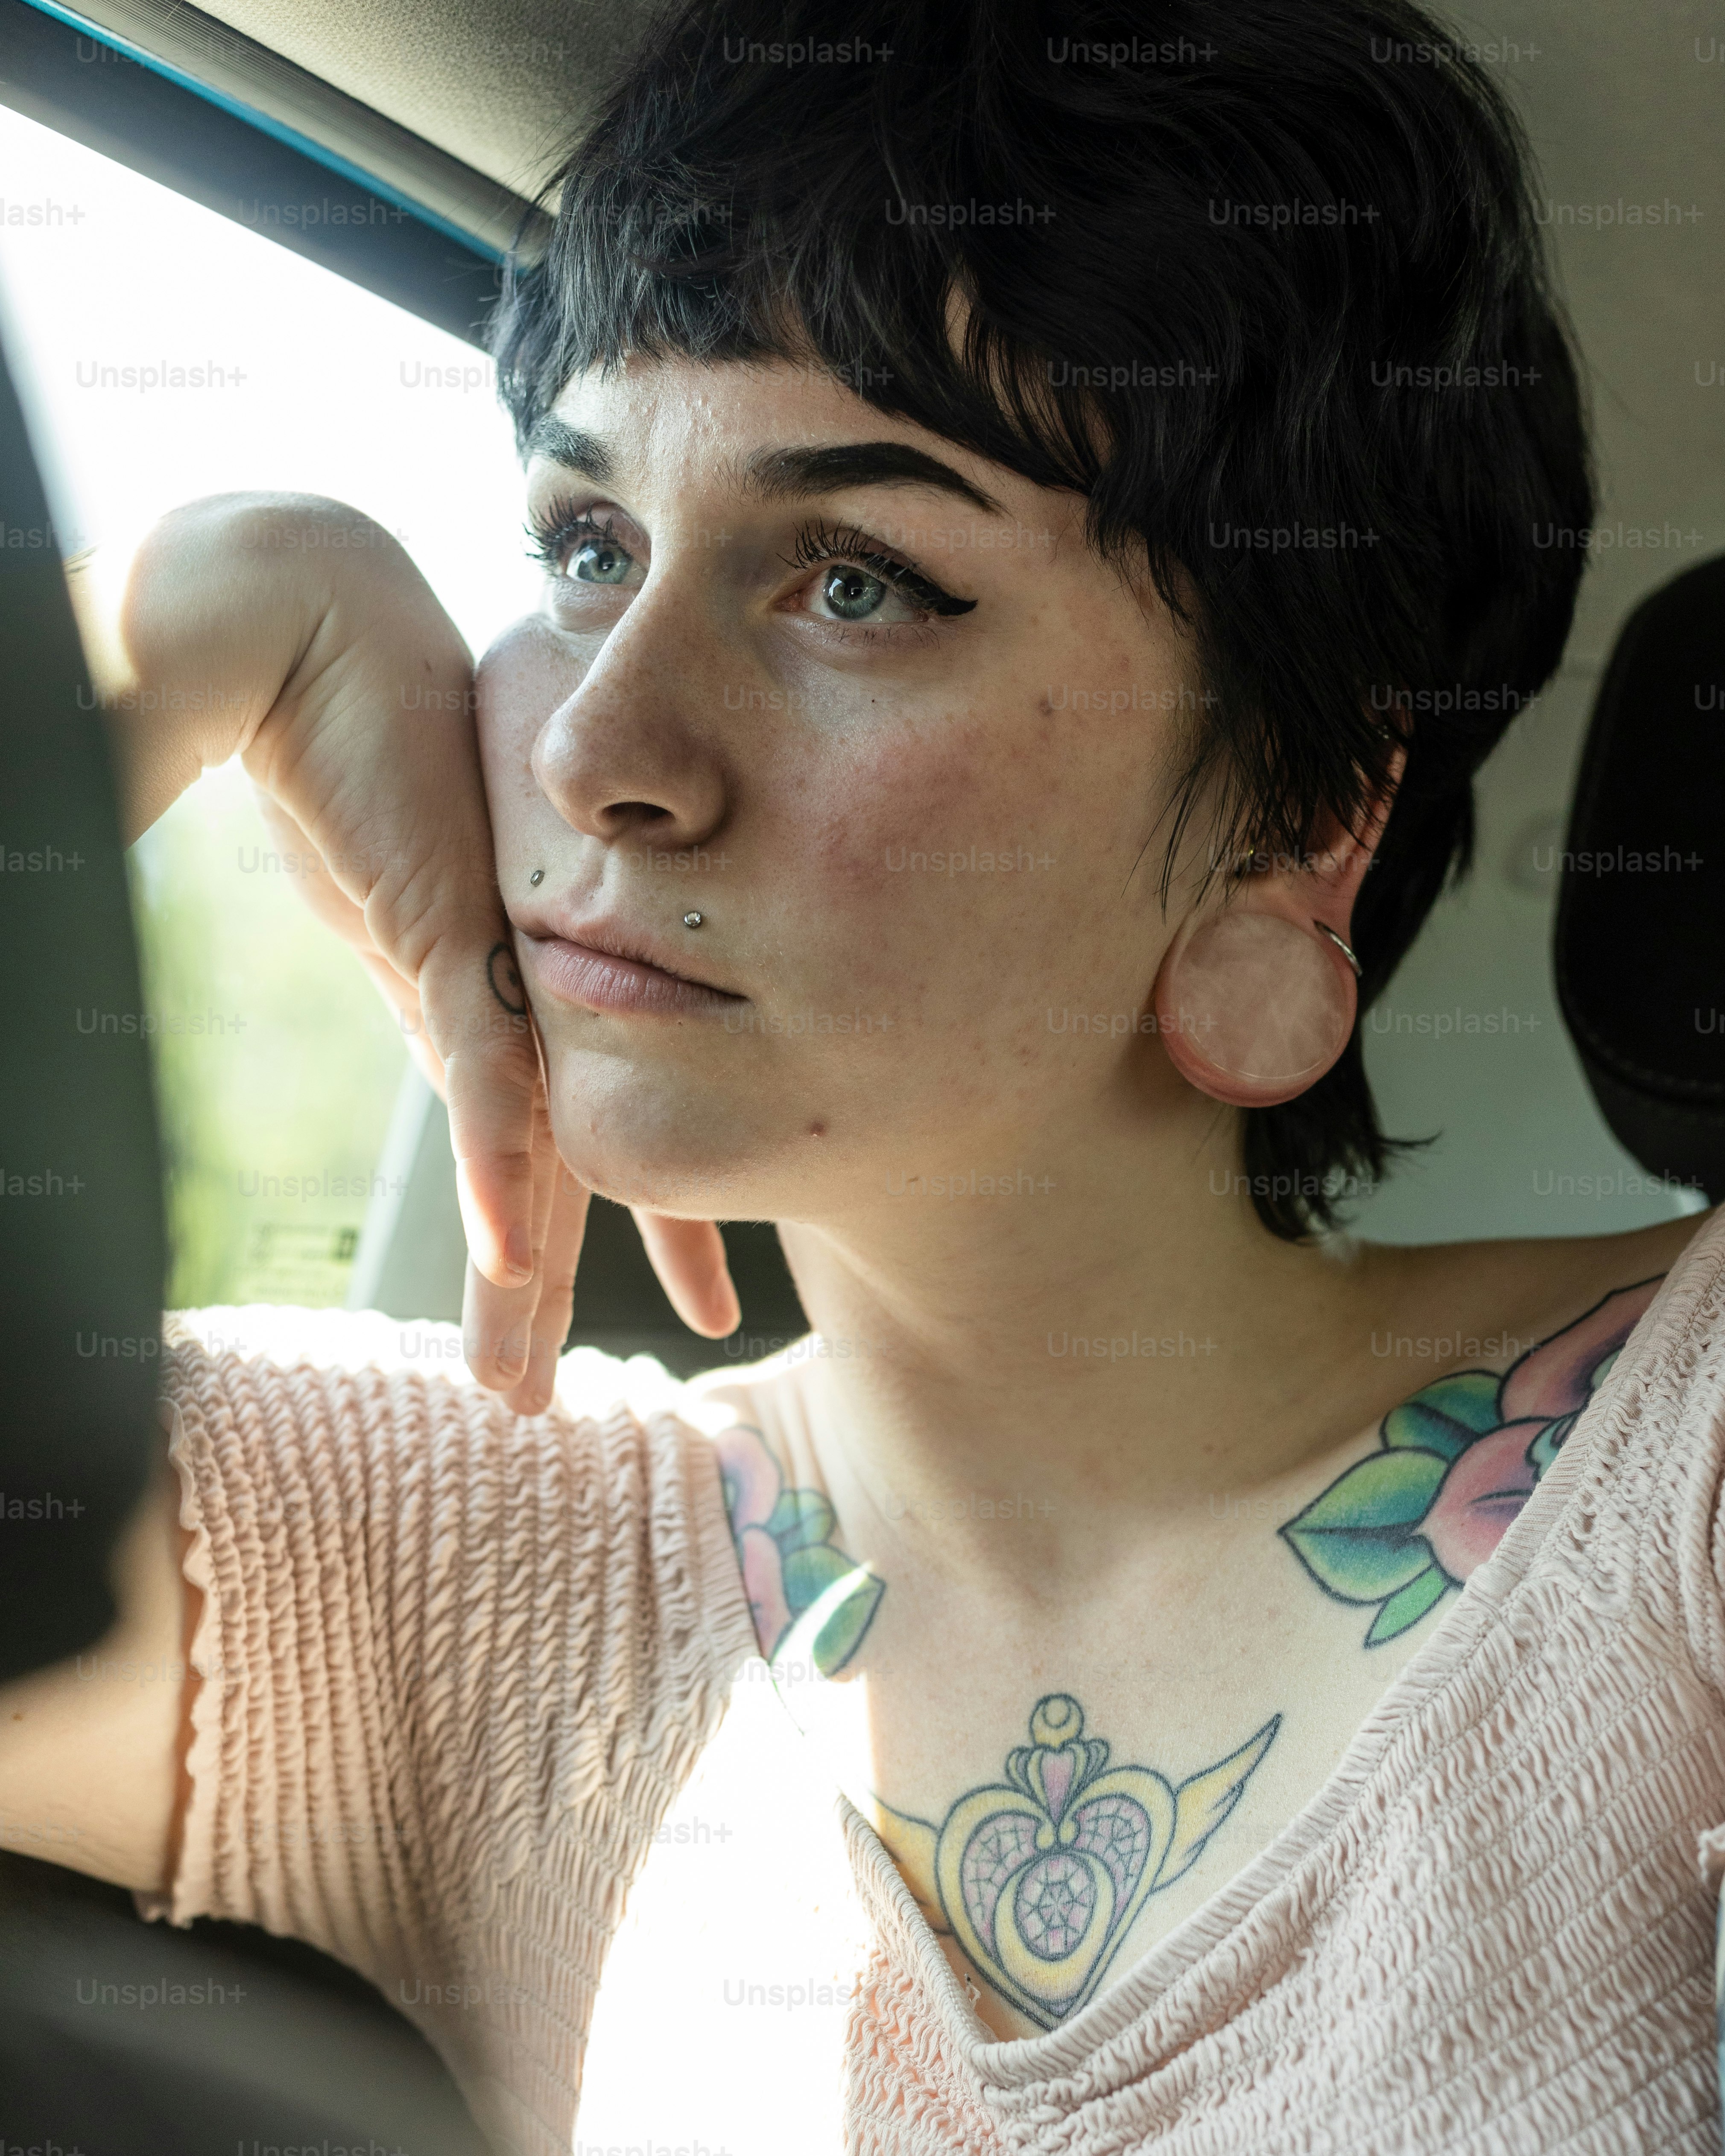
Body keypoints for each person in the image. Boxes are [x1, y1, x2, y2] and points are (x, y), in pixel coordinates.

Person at [6, 0, 1725, 2149]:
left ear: (1298, 822)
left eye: (853, 582)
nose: (591, 748)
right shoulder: (460, 1556)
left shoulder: (1686, 1480)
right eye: (581, 547)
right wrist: (210, 607)